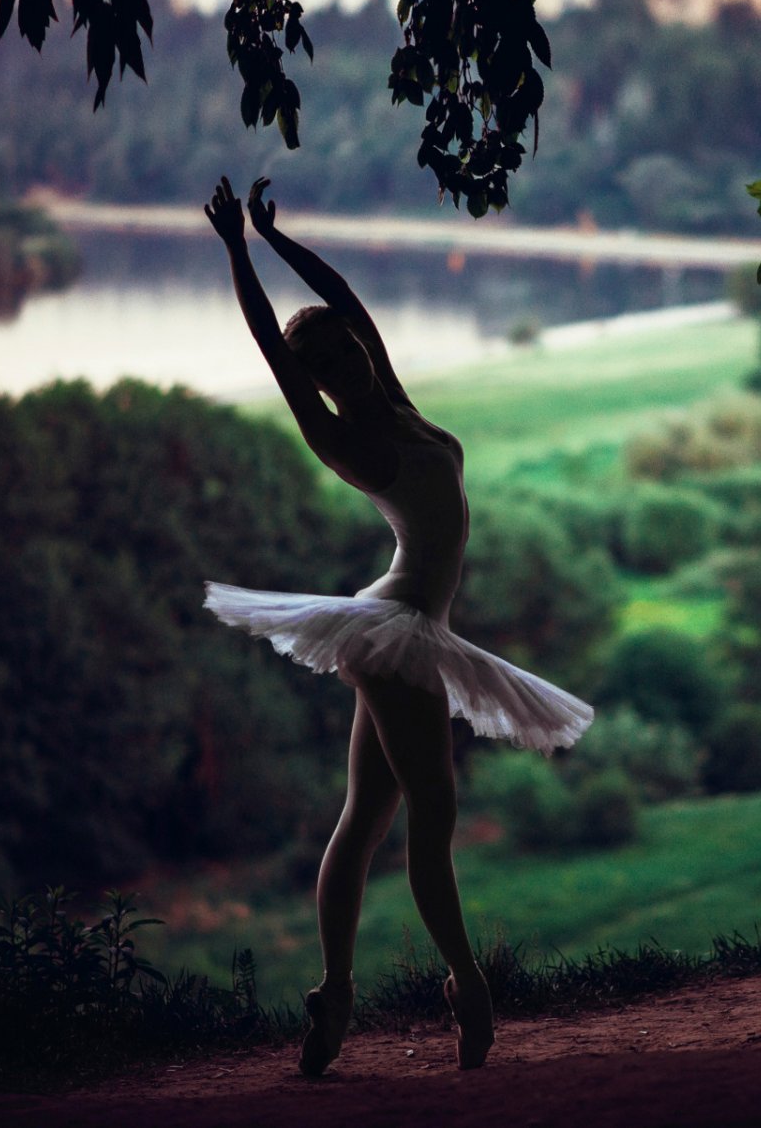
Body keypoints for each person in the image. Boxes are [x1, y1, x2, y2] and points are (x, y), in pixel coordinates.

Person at [200, 177, 594, 1077]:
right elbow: (274, 345)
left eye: (351, 352)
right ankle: (468, 985)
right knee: (434, 811)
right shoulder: (346, 441)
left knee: (367, 815)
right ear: (320, 385)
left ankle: (335, 995)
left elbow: (346, 303)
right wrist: (234, 249)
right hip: (395, 628)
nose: (352, 361)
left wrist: (278, 234)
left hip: (412, 622)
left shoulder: (398, 403)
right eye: (334, 365)